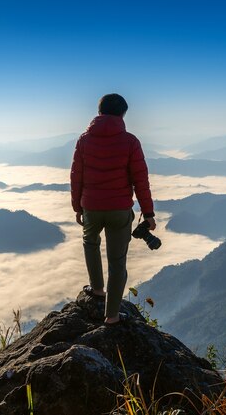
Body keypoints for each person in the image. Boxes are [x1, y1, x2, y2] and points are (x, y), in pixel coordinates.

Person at [70, 93, 156, 325]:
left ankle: (97, 290)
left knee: (90, 243)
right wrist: (148, 214)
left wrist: (77, 206)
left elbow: (76, 176)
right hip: (119, 210)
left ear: (99, 112)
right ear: (123, 114)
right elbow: (141, 180)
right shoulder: (130, 142)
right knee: (117, 262)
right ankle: (112, 316)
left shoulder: (84, 140)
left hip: (91, 206)